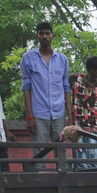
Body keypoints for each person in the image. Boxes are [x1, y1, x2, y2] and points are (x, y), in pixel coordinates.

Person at [20, 22, 72, 167]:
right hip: (38, 113)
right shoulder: (28, 58)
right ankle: (41, 186)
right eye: (41, 33)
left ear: (52, 36)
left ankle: (63, 186)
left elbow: (66, 87)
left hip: (59, 113)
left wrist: (70, 117)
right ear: (37, 36)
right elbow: (26, 88)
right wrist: (29, 116)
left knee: (61, 152)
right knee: (39, 153)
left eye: (47, 33)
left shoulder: (62, 59)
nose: (44, 36)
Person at [70, 56, 97, 170]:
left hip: (94, 125)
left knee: (94, 157)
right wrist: (69, 116)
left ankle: (93, 184)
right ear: (91, 70)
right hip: (77, 125)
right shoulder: (75, 78)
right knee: (80, 160)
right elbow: (66, 94)